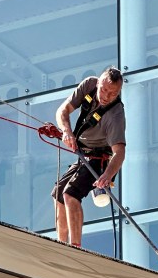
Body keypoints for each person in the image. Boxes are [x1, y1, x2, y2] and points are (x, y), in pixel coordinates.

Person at [51, 67, 126, 248]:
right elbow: (63, 111)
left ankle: (75, 246)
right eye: (104, 89)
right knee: (58, 194)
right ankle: (61, 245)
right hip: (84, 154)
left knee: (71, 194)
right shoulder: (89, 85)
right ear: (98, 83)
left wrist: (107, 175)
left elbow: (119, 152)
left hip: (100, 159)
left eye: (113, 93)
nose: (106, 96)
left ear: (118, 93)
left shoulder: (115, 115)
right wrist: (66, 131)